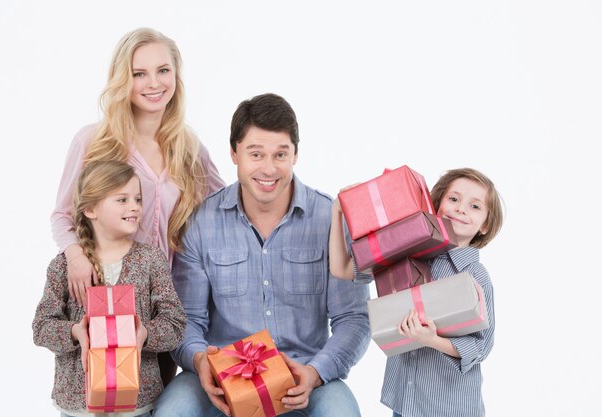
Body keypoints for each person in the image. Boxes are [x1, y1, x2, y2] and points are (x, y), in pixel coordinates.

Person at [152, 93, 371, 417]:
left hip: (307, 373)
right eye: (256, 154)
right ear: (234, 153)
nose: (269, 169)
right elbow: (188, 321)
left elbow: (352, 319)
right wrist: (202, 362)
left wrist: (315, 373)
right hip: (223, 371)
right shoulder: (201, 223)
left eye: (280, 154)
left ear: (295, 155)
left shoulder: (330, 219)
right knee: (173, 411)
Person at [50, 27, 225, 385]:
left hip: (164, 308)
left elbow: (226, 209)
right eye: (139, 73)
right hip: (104, 297)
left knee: (151, 400)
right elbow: (62, 215)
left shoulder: (188, 147)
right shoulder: (93, 141)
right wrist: (75, 256)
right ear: (122, 80)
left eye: (163, 70)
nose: (153, 83)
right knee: (98, 397)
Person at [330, 167, 504, 417]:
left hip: (449, 410)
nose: (461, 209)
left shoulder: (476, 276)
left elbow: (481, 347)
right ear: (437, 204)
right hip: (405, 403)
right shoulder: (406, 252)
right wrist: (338, 212)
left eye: (475, 206)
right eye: (453, 199)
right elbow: (342, 268)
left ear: (485, 225)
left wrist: (431, 340)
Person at [33, 160, 187, 417]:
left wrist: (143, 333)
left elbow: (175, 324)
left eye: (137, 199)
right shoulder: (64, 266)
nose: (135, 207)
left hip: (138, 404)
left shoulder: (150, 260)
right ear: (91, 209)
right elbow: (41, 327)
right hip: (78, 407)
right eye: (122, 200)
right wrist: (75, 332)